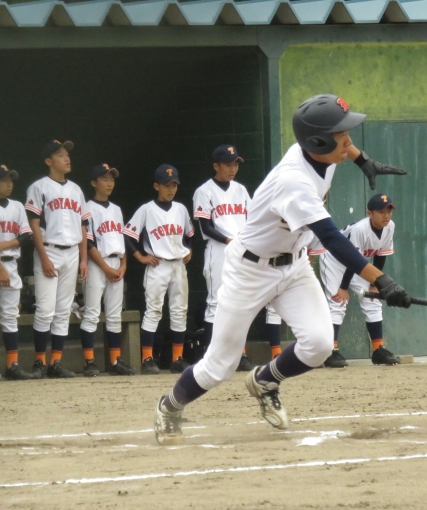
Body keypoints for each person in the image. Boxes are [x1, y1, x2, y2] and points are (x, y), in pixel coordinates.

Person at [153, 94, 410, 445]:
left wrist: (364, 161)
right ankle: (169, 406)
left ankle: (265, 381)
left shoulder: (324, 153)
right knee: (220, 366)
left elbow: (345, 148)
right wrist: (382, 280)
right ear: (317, 142)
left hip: (293, 265)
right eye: (341, 135)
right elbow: (332, 239)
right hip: (250, 270)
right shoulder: (294, 181)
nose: (348, 141)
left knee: (319, 344)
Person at [25, 140, 90, 379]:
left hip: (72, 251)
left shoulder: (76, 190)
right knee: (45, 309)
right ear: (48, 161)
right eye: (60, 155)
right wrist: (43, 257)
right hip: (49, 249)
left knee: (63, 310)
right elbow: (33, 225)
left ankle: (56, 363)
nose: (67, 158)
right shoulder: (38, 187)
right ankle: (39, 362)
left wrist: (84, 259)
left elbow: (83, 226)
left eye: (67, 154)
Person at [123, 164, 193, 375]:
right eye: (166, 185)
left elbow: (190, 234)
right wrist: (140, 256)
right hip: (158, 264)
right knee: (153, 310)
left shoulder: (181, 209)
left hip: (178, 264)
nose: (171, 189)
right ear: (156, 186)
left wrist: (189, 249)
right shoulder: (146, 209)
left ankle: (177, 358)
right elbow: (128, 235)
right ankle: (147, 359)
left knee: (179, 310)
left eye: (174, 185)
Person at [192, 145, 255, 372]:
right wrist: (230, 240)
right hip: (219, 249)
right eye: (228, 164)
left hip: (241, 250)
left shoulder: (241, 190)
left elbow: (252, 221)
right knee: (216, 302)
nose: (233, 169)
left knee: (242, 303)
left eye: (236, 164)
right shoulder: (204, 191)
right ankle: (213, 356)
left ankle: (240, 354)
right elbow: (206, 227)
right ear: (216, 166)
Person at [320, 194, 400, 368]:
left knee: (373, 300)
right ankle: (330, 351)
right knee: (338, 302)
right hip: (335, 260)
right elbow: (350, 259)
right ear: (369, 213)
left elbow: (381, 255)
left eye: (389, 211)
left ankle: (378, 350)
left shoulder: (390, 226)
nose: (386, 216)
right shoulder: (360, 229)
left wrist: (375, 283)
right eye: (381, 212)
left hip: (357, 263)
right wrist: (343, 287)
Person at [79, 164, 135, 376]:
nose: (109, 183)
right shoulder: (87, 207)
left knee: (114, 315)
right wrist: (104, 268)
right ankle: (89, 362)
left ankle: (115, 361)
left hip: (116, 263)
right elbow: (88, 242)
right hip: (97, 264)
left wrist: (123, 264)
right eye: (104, 179)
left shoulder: (116, 209)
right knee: (92, 314)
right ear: (94, 183)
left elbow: (122, 239)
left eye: (111, 179)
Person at [0, 165, 34, 380]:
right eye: (4, 180)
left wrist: (5, 245)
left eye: (11, 180)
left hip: (11, 263)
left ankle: (12, 366)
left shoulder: (17, 206)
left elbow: (26, 236)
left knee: (10, 317)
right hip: (3, 266)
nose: (9, 184)